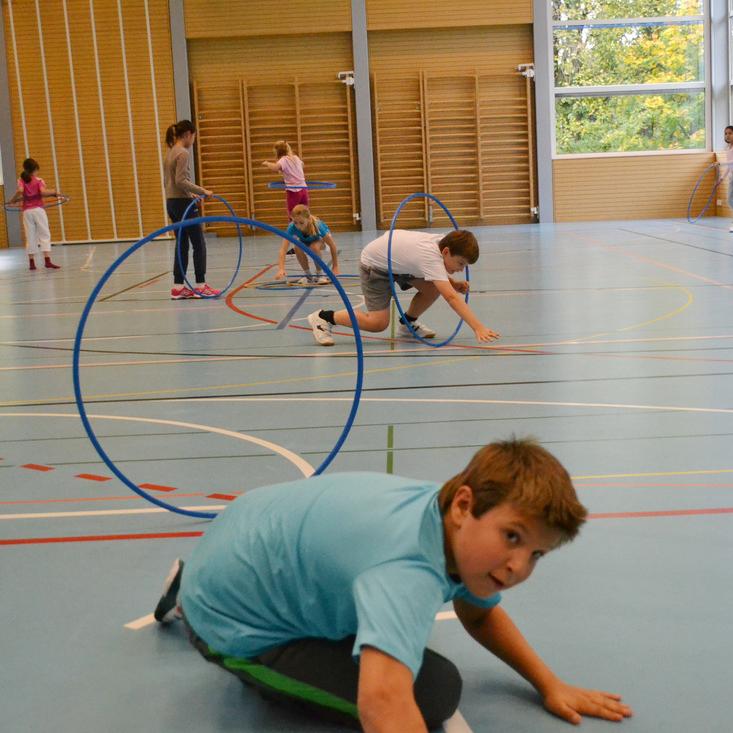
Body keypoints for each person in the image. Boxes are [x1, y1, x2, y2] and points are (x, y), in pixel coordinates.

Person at [153, 437, 632, 731]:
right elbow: (382, 704)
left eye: (536, 554)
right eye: (513, 537)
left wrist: (549, 684)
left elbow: (480, 612)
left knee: (398, 647)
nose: (518, 567)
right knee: (435, 691)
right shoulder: (407, 571)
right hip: (235, 627)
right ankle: (200, 617)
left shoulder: (443, 517)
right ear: (465, 506)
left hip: (236, 545)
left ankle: (195, 584)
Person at [306, 229, 499, 346]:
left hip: (398, 264)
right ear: (447, 251)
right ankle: (323, 318)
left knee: (432, 289)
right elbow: (451, 298)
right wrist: (478, 327)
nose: (460, 270)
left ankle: (408, 324)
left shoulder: (442, 244)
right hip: (375, 266)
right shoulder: (430, 256)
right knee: (378, 324)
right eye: (460, 264)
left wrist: (454, 284)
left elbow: (434, 271)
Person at [164, 120, 220, 299]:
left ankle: (178, 287)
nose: (193, 140)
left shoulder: (171, 151)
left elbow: (173, 182)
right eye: (194, 136)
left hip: (172, 202)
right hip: (182, 204)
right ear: (188, 134)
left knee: (182, 244)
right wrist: (202, 191)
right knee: (199, 243)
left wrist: (190, 194)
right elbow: (181, 180)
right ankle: (201, 285)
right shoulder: (183, 153)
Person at [7, 158, 62, 271]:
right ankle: (47, 261)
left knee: (30, 235)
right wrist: (54, 192)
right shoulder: (39, 180)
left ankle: (32, 263)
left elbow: (20, 191)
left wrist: (13, 200)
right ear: (35, 169)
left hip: (27, 211)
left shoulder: (21, 180)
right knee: (44, 234)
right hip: (38, 210)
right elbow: (43, 192)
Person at [276, 204, 340, 285]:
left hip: (320, 241)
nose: (298, 226)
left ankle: (319, 274)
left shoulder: (318, 226)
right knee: (297, 247)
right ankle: (308, 275)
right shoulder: (292, 227)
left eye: (301, 223)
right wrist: (281, 268)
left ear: (308, 219)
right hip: (305, 240)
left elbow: (332, 245)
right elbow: (283, 249)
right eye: (295, 222)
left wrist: (335, 267)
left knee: (314, 247)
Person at [262, 140, 308, 217]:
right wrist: (288, 173)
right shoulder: (295, 158)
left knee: (292, 214)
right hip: (304, 189)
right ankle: (306, 228)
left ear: (278, 152)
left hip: (294, 191)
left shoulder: (283, 159)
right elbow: (302, 165)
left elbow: (275, 167)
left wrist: (267, 163)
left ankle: (293, 229)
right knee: (304, 214)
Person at [720, 125, 733, 233]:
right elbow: (729, 166)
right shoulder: (727, 148)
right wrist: (722, 177)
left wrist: (720, 163)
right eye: (726, 133)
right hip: (731, 178)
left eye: (730, 133)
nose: (727, 135)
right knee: (729, 200)